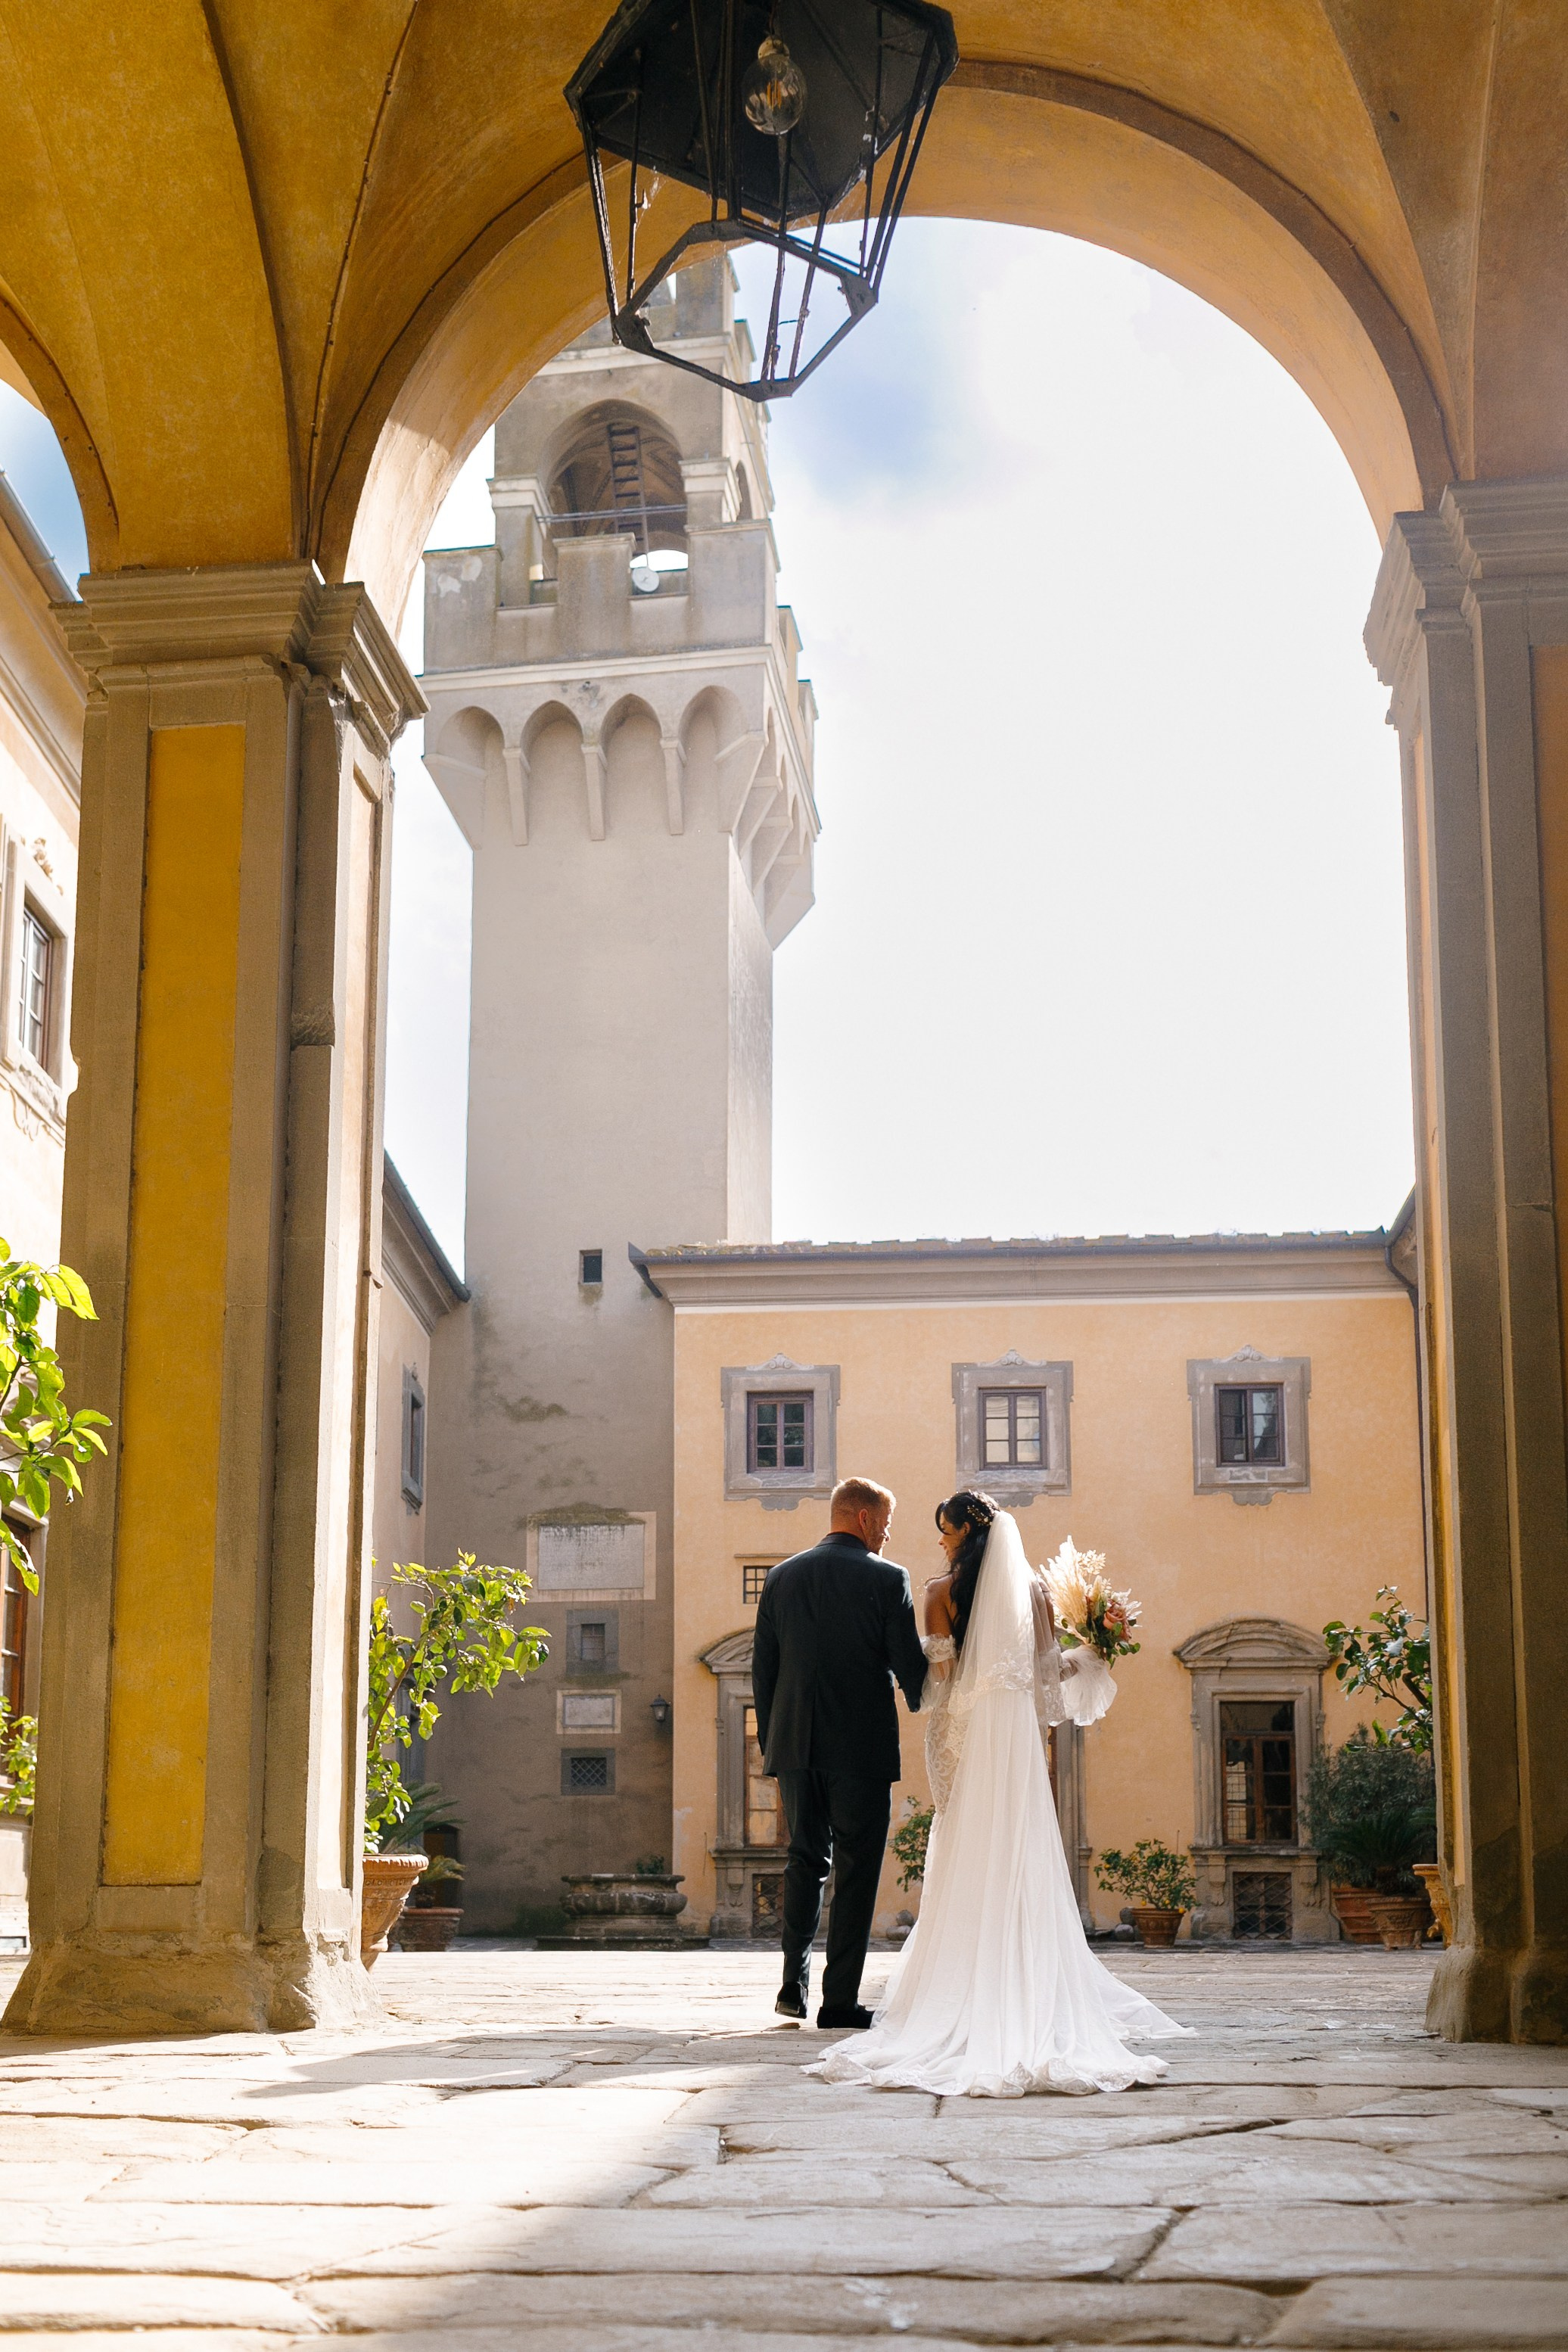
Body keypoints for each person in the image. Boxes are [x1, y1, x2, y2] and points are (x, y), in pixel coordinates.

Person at [810, 1488, 1190, 2095]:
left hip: (959, 1738)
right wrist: (1092, 1652)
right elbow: (1045, 1682)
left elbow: (939, 1684)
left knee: (963, 1846)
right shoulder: (1033, 1593)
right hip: (1014, 1743)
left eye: (944, 1531)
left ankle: (960, 1991)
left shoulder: (936, 1593)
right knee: (1017, 1846)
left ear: (964, 1532)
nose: (939, 1541)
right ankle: (1023, 1987)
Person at [751, 1475, 928, 2029]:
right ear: (864, 1519)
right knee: (856, 1869)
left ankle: (791, 1989)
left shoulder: (780, 1577)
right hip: (860, 1746)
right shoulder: (888, 1578)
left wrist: (773, 1743)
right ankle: (840, 2003)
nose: (888, 1536)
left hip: (795, 1746)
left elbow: (763, 1671)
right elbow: (910, 1669)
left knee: (804, 1860)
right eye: (887, 1524)